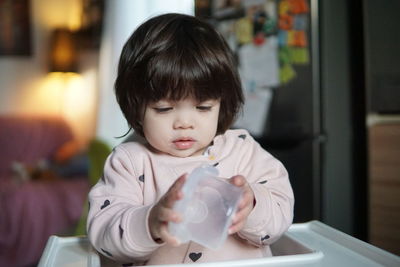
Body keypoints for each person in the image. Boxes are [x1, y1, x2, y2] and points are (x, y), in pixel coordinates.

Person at [87, 13, 294, 266]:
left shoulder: (243, 150)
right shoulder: (130, 162)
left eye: (203, 107)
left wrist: (253, 205)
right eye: (164, 109)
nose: (185, 123)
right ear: (135, 107)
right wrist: (150, 221)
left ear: (222, 103)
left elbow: (281, 212)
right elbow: (103, 234)